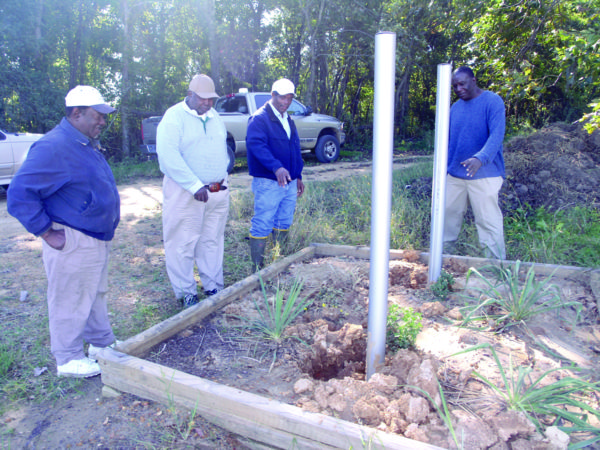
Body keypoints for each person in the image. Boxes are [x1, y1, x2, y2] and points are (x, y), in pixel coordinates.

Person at [7, 85, 120, 378]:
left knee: (94, 293)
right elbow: (19, 193)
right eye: (97, 115)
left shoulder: (83, 142)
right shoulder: (53, 146)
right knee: (70, 297)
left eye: (104, 116)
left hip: (94, 237)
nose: (103, 122)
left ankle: (100, 343)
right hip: (73, 238)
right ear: (76, 113)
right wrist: (46, 231)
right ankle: (68, 358)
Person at [156, 74, 230, 308]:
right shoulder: (174, 117)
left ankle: (213, 286)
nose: (207, 104)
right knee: (182, 243)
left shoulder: (215, 116)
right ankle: (186, 293)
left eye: (211, 100)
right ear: (190, 95)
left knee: (212, 241)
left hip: (217, 192)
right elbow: (168, 157)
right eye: (203, 99)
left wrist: (221, 177)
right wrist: (194, 184)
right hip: (186, 192)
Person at [443, 66, 506, 259]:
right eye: (455, 86)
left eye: (462, 83)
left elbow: (497, 135)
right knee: (447, 217)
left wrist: (481, 158)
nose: (458, 89)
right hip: (455, 175)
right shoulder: (455, 108)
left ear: (473, 80)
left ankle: (496, 266)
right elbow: (449, 141)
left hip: (485, 175)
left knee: (488, 221)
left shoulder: (492, 102)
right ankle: (443, 258)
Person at [246, 78, 305, 270]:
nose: (285, 102)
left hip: (289, 181)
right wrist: (276, 167)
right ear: (272, 95)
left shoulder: (287, 119)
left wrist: (298, 176)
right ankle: (258, 270)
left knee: (284, 220)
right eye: (282, 98)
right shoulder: (260, 118)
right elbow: (256, 145)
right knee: (263, 221)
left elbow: (294, 149)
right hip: (269, 181)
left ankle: (279, 262)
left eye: (289, 98)